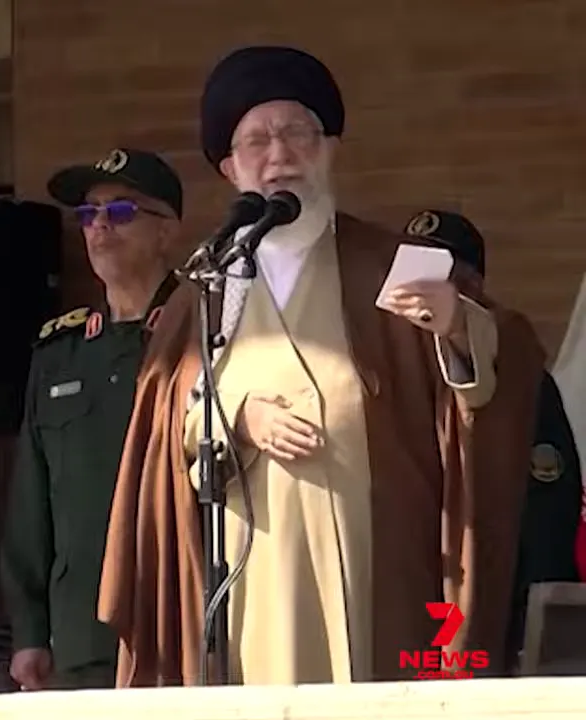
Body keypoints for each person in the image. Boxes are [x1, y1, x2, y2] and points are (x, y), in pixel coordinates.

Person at [96, 45, 547, 686]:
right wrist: (238, 417)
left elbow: (511, 367)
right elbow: (167, 430)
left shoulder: (391, 263)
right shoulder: (205, 288)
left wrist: (456, 324)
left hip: (378, 562)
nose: (280, 155)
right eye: (257, 141)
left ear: (330, 149)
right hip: (249, 570)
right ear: (230, 168)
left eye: (298, 134)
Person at [1, 148, 184, 690]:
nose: (100, 226)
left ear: (166, 231)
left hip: (180, 621)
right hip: (80, 630)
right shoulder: (60, 351)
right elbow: (31, 502)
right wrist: (30, 630)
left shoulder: (204, 326)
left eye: (121, 212)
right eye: (88, 214)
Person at [403, 208, 582, 668]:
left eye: (441, 278)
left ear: (473, 286)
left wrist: (530, 626)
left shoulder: (517, 369)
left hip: (493, 600)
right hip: (414, 587)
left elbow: (546, 506)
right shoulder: (400, 372)